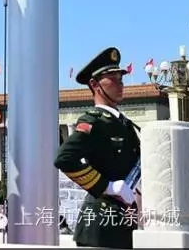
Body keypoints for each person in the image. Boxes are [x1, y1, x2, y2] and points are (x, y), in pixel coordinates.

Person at [54, 47, 140, 249]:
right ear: (95, 85)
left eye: (121, 78)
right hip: (99, 225)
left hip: (124, 221)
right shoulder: (93, 121)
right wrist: (107, 187)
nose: (120, 83)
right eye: (113, 78)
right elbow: (64, 159)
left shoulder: (126, 125)